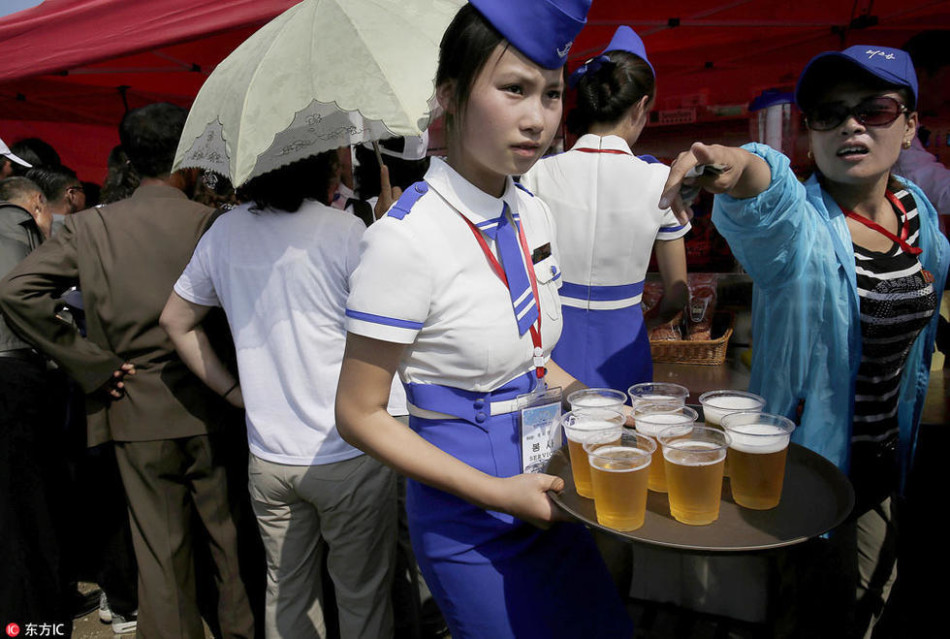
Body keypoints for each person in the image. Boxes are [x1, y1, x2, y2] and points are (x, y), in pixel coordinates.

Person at [335, 2, 633, 638]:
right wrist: (498, 494)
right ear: (448, 95)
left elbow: (534, 359)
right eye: (513, 89)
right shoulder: (404, 239)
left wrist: (601, 406)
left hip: (551, 487)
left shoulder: (533, 212)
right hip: (469, 520)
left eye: (551, 94)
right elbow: (358, 415)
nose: (538, 119)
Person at [660, 45, 949, 638]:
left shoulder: (916, 210)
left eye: (875, 109)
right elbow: (766, 196)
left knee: (873, 597)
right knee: (817, 612)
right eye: (829, 114)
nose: (851, 125)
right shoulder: (802, 230)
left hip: (887, 459)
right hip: (811, 467)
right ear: (810, 133)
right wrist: (734, 165)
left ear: (910, 125)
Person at [0, 103, 257, 639]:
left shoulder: (90, 227)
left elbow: (16, 291)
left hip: (131, 403)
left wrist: (91, 363)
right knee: (231, 544)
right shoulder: (212, 222)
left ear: (132, 162)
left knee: (160, 554)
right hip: (214, 402)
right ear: (187, 158)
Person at [161, 151, 397, 639]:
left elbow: (175, 320)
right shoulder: (345, 231)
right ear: (318, 167)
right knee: (362, 597)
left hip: (269, 453)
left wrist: (232, 391)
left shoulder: (224, 232)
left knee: (286, 592)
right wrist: (390, 234)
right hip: (348, 448)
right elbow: (391, 325)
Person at [520, 25, 689, 391]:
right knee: (621, 429)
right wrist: (645, 321)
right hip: (624, 353)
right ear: (641, 106)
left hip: (549, 348)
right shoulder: (663, 181)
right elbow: (678, 293)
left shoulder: (534, 174)